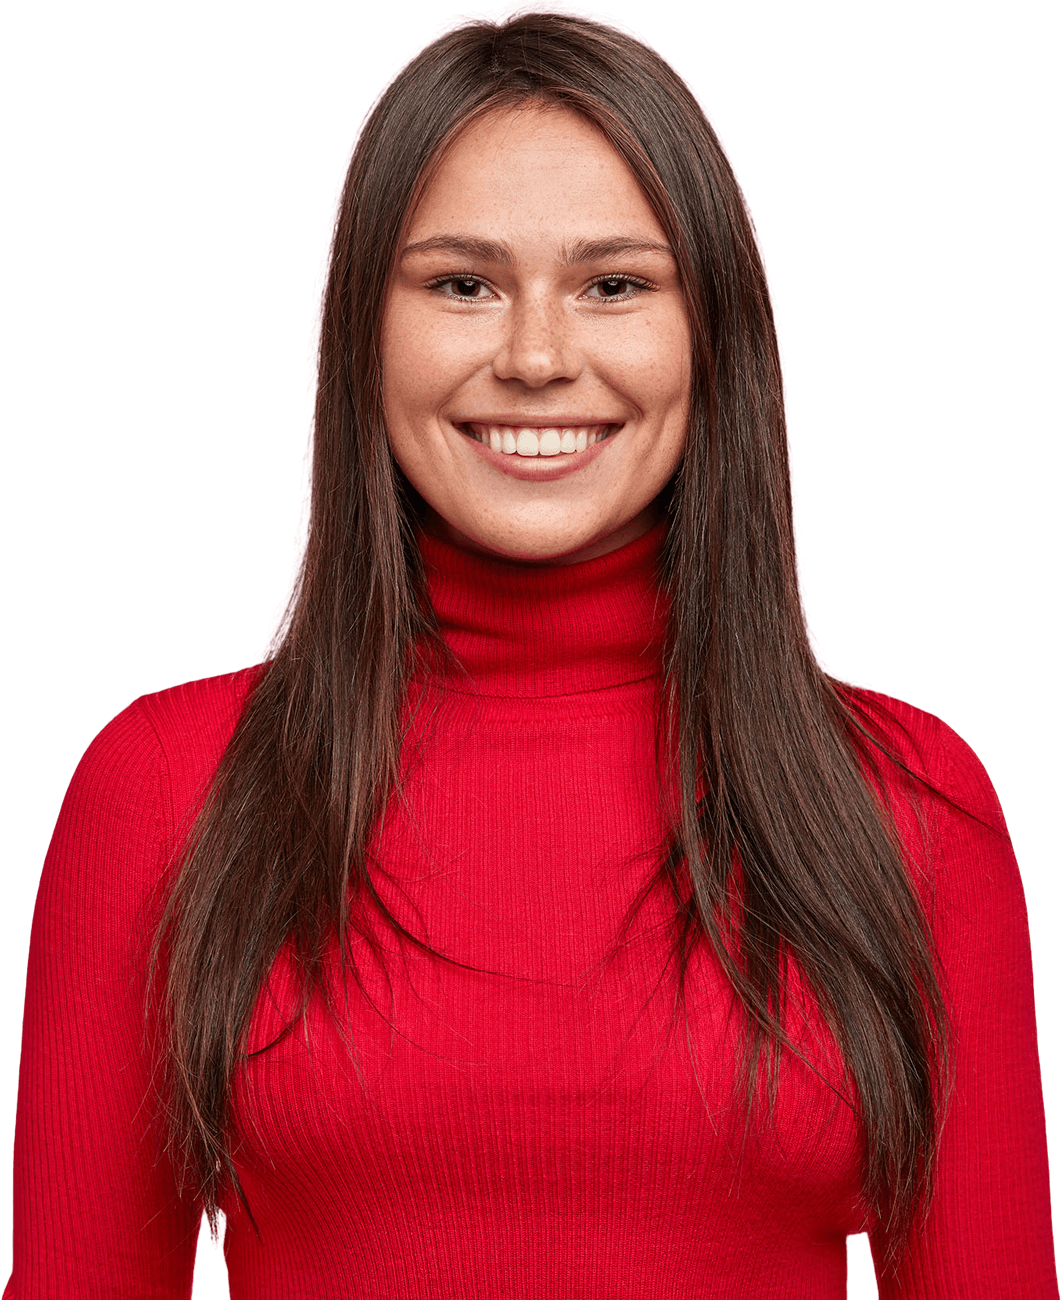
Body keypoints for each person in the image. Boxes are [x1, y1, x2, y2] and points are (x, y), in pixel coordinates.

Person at [7, 5, 1055, 1297]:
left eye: (614, 284)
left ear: (709, 336)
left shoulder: (908, 800)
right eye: (463, 284)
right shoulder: (166, 782)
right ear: (363, 335)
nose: (539, 357)